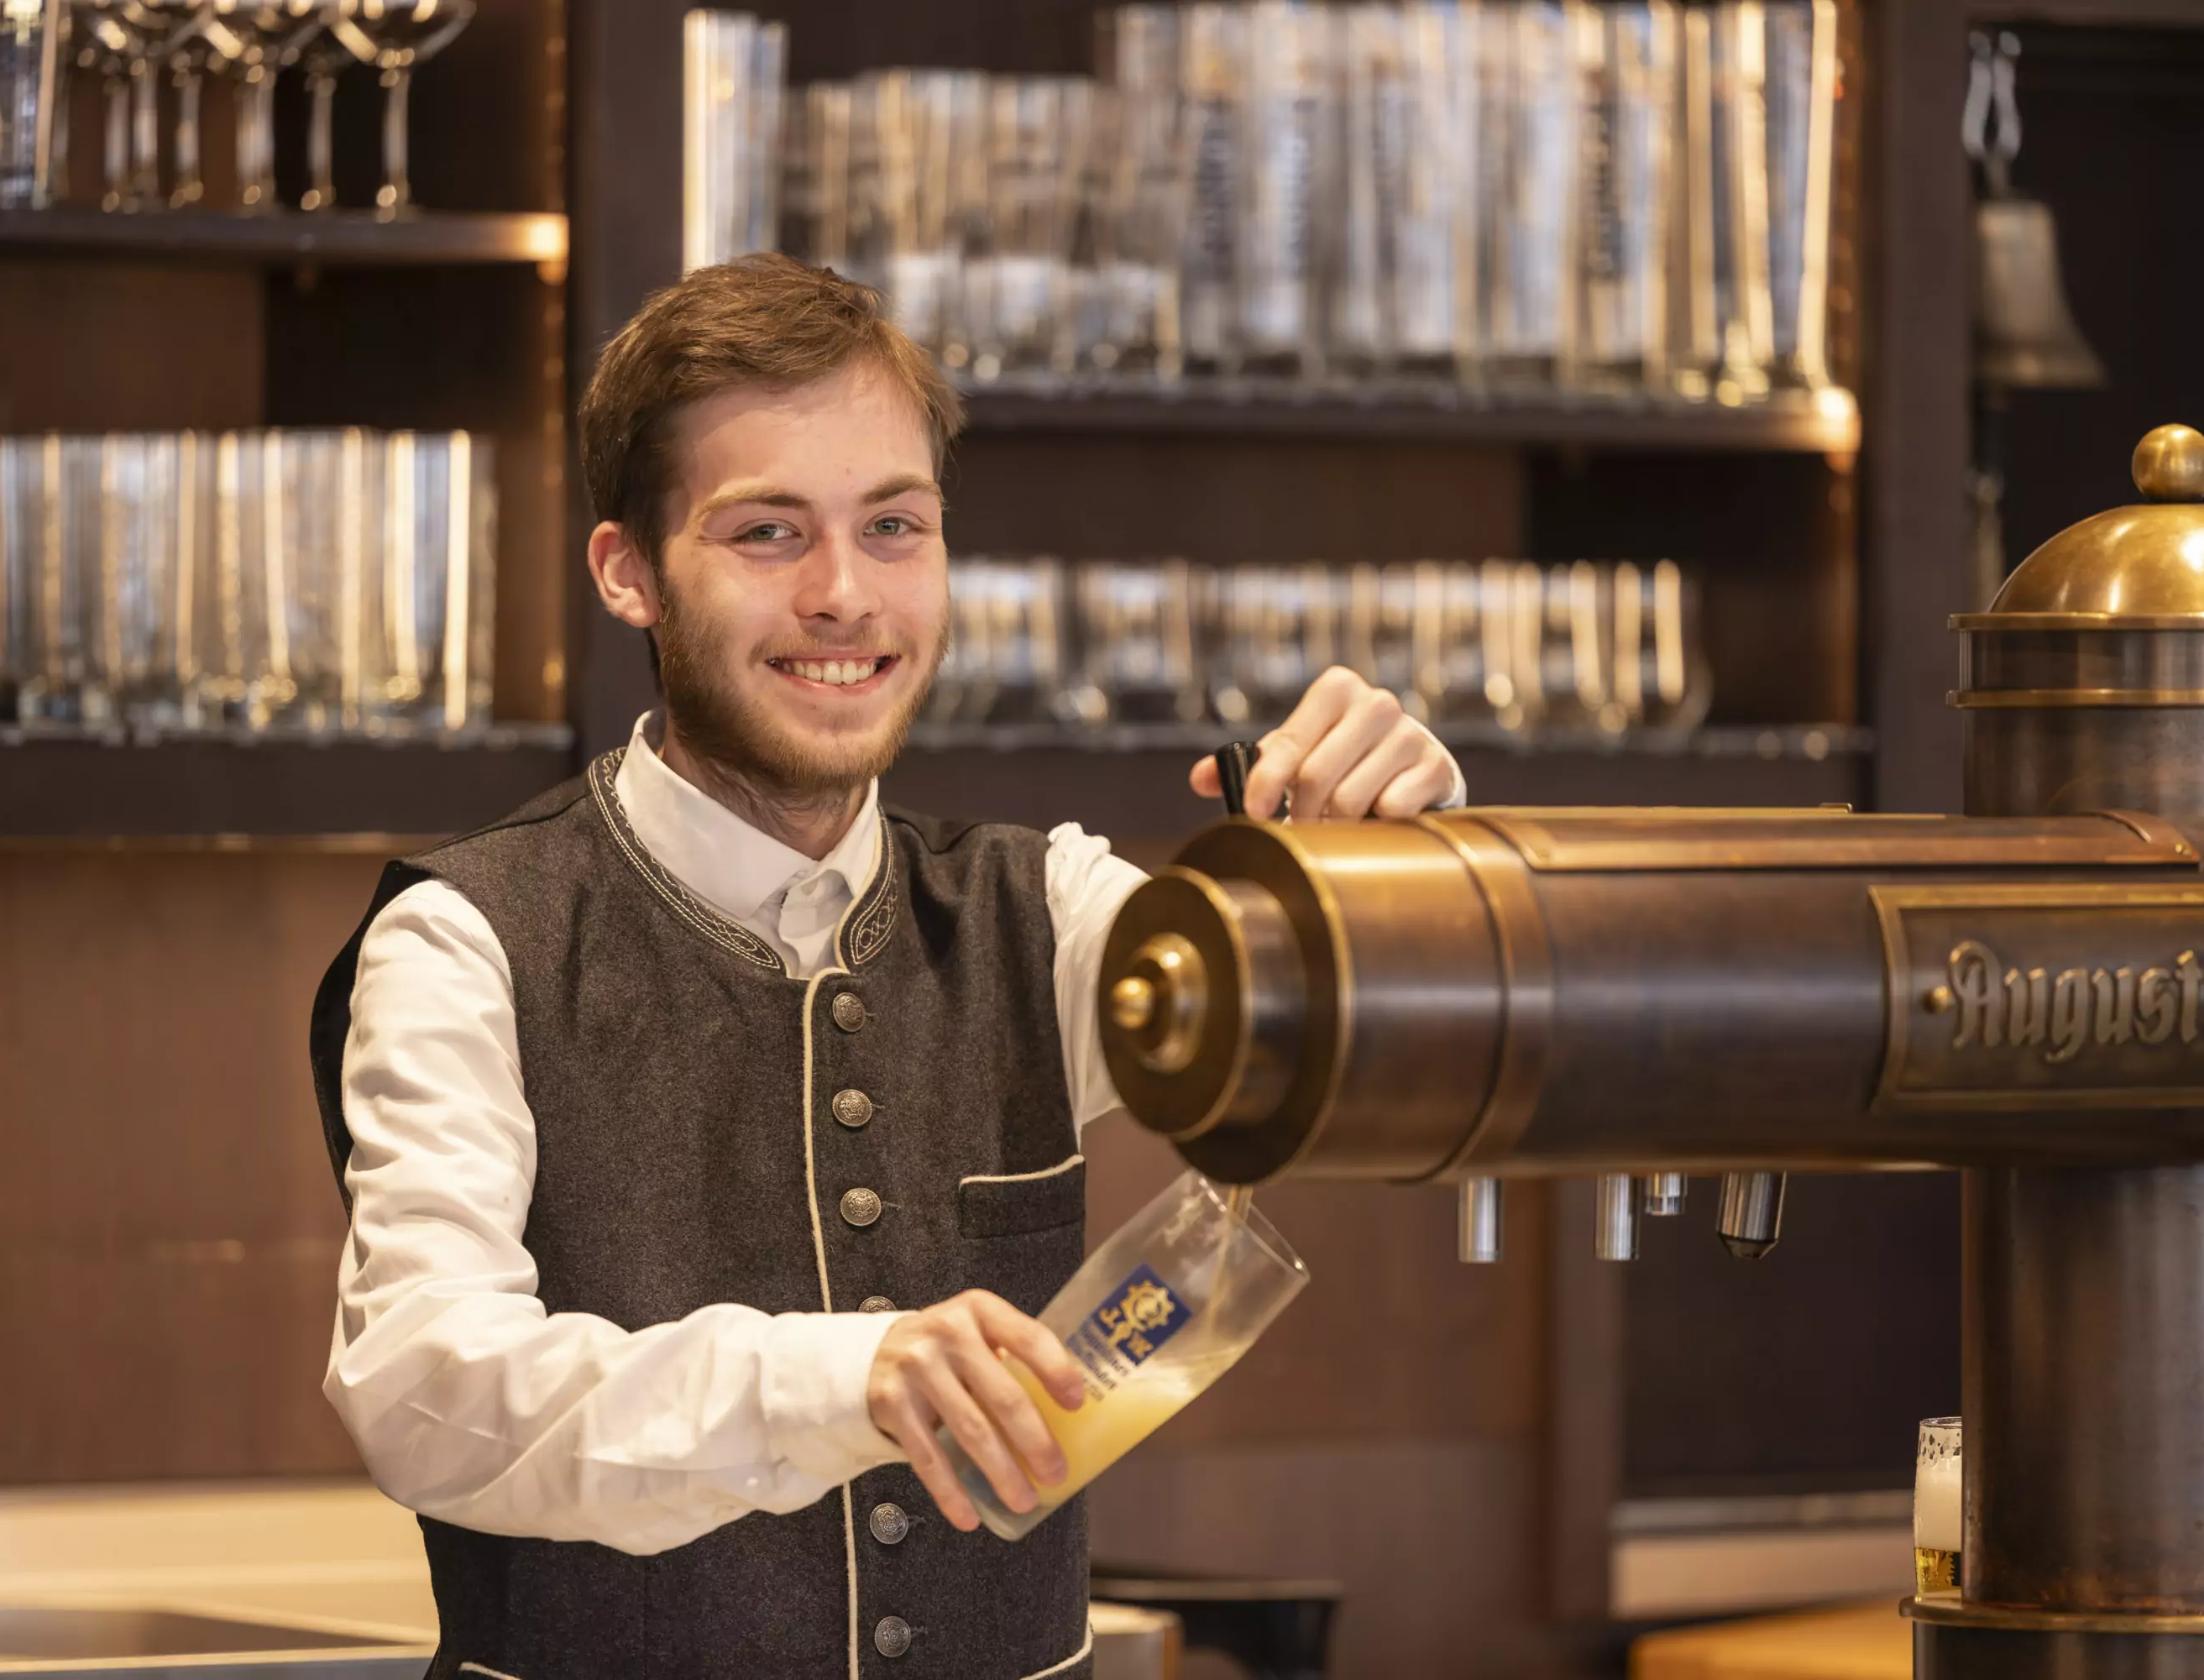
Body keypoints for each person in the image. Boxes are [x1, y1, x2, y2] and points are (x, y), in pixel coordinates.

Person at [309, 254, 1464, 1680]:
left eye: (894, 526)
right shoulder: (469, 937)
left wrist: (1396, 870)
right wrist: (844, 1376)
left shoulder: (1048, 911)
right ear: (628, 573)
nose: (847, 595)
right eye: (769, 533)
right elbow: (423, 1389)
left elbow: (1370, 1052)